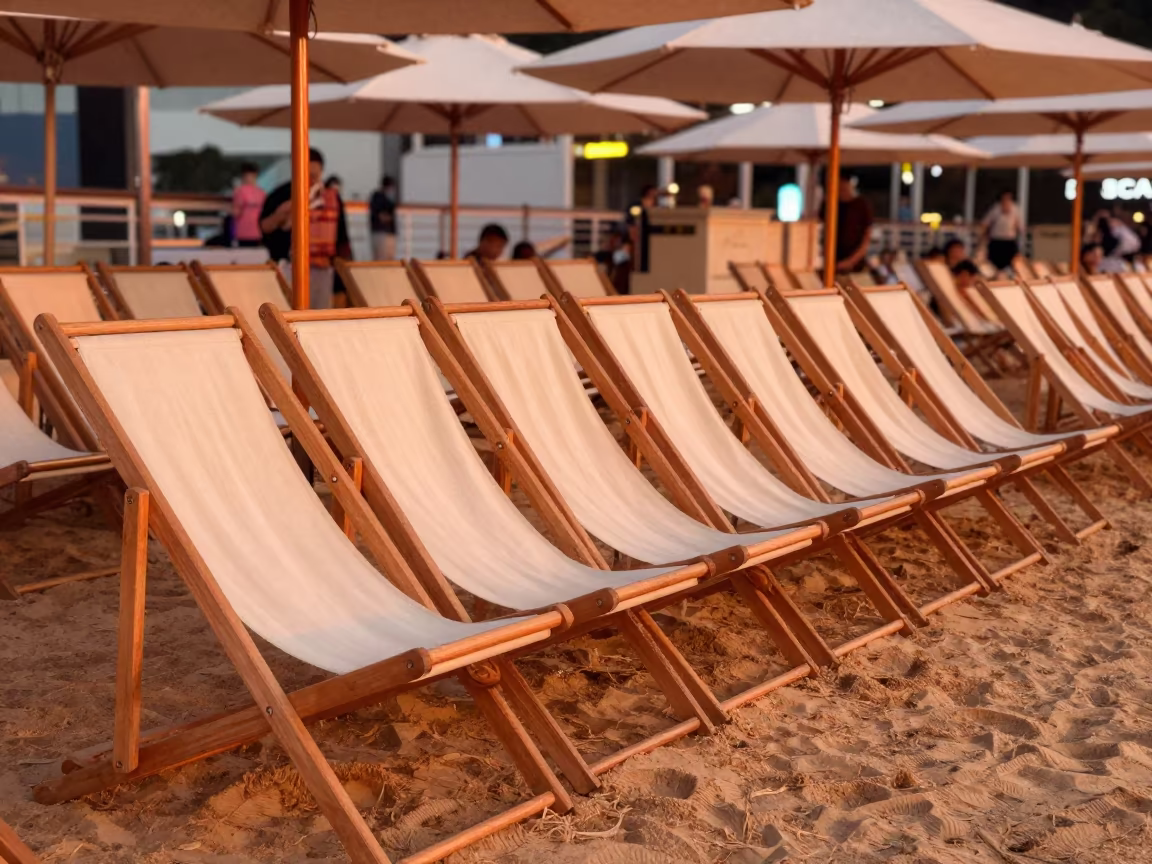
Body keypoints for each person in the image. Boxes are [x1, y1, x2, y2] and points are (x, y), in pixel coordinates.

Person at [259, 147, 349, 310]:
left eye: (315, 175)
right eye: (307, 175)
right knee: (289, 312)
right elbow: (265, 227)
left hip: (322, 267)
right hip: (289, 266)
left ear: (321, 171)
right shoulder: (282, 194)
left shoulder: (330, 198)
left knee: (320, 317)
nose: (311, 180)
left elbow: (342, 237)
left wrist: (343, 276)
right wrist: (283, 213)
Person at [825, 175, 873, 274]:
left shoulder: (861, 205)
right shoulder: (831, 204)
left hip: (855, 264)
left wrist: (851, 261)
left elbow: (867, 237)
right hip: (833, 260)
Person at [981, 190, 1023, 272]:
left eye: (1008, 198)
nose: (1006, 200)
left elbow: (1020, 227)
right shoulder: (995, 209)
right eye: (1004, 198)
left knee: (1012, 265)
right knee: (993, 265)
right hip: (996, 241)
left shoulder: (1015, 210)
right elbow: (985, 223)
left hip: (1009, 241)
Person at [625, 184, 658, 275]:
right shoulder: (636, 205)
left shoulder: (656, 206)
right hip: (639, 238)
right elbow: (630, 222)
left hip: (651, 239)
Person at [231, 162, 265, 248]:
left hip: (246, 233)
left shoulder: (240, 191)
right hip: (255, 233)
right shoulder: (261, 192)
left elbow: (235, 212)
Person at [369, 175, 398, 260]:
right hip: (381, 232)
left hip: (387, 233)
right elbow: (380, 215)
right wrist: (388, 218)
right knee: (382, 259)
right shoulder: (378, 197)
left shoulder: (386, 198)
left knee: (388, 258)